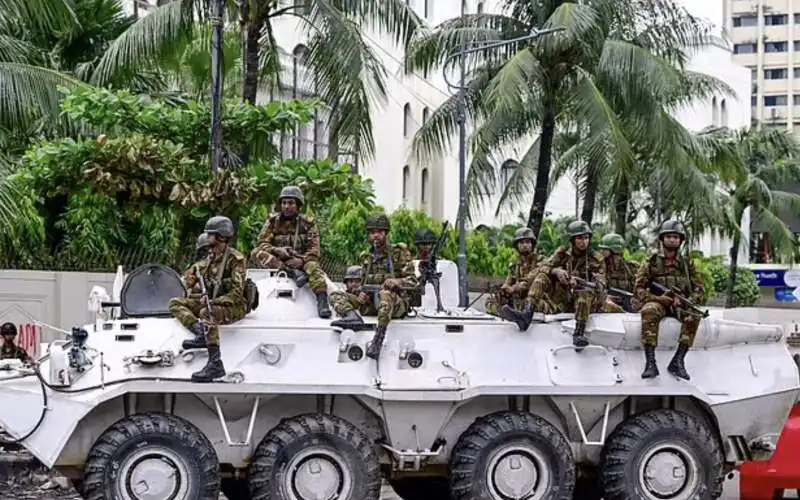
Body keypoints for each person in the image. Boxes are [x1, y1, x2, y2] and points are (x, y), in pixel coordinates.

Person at [502, 221, 606, 348]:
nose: (583, 241)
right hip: (565, 298)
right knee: (543, 276)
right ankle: (527, 314)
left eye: (586, 237)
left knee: (584, 294)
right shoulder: (562, 254)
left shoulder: (596, 259)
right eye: (579, 238)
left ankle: (579, 333)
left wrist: (578, 282)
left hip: (587, 300)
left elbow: (601, 286)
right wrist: (556, 271)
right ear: (572, 240)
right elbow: (542, 268)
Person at [169, 216, 248, 382]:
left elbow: (236, 294)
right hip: (211, 302)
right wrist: (190, 279)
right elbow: (191, 276)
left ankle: (215, 363)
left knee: (207, 312)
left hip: (233, 306)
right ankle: (200, 332)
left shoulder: (235, 260)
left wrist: (212, 302)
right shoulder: (210, 258)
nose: (207, 237)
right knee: (176, 303)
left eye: (210, 234)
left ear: (221, 236)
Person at [339, 214, 418, 360]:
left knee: (385, 294)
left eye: (379, 232)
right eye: (372, 232)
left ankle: (378, 339)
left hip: (395, 304)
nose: (375, 236)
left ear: (386, 233)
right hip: (371, 303)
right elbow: (361, 283)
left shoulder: (398, 253)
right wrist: (359, 294)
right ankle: (351, 317)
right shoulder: (366, 257)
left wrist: (397, 282)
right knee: (337, 295)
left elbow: (413, 281)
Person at [635, 219, 705, 381]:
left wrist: (688, 300)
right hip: (659, 302)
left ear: (681, 240)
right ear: (662, 239)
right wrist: (660, 298)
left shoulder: (687, 264)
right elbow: (639, 290)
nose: (672, 240)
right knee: (649, 311)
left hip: (680, 303)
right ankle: (650, 362)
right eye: (668, 237)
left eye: (675, 237)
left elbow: (699, 289)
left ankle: (678, 360)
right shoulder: (651, 262)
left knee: (694, 314)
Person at [250, 185, 331, 318]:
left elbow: (314, 250)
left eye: (291, 203)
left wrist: (301, 261)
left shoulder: (308, 223)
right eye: (284, 203)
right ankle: (292, 272)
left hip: (302, 260)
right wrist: (277, 250)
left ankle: (322, 302)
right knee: (256, 252)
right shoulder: (272, 222)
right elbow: (262, 243)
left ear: (298, 205)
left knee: (314, 267)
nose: (286, 206)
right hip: (280, 260)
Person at [485, 227, 538, 316]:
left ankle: (508, 313)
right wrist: (503, 289)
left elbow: (530, 280)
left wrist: (513, 288)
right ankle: (504, 313)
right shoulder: (515, 265)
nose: (525, 245)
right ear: (517, 245)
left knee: (524, 304)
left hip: (532, 299)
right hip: (517, 298)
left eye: (528, 242)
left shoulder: (540, 261)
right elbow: (508, 282)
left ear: (532, 244)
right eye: (521, 242)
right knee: (489, 301)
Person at [599, 233, 638, 313]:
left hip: (629, 304)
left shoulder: (631, 268)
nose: (601, 251)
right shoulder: (598, 267)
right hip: (606, 305)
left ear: (614, 250)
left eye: (604, 249)